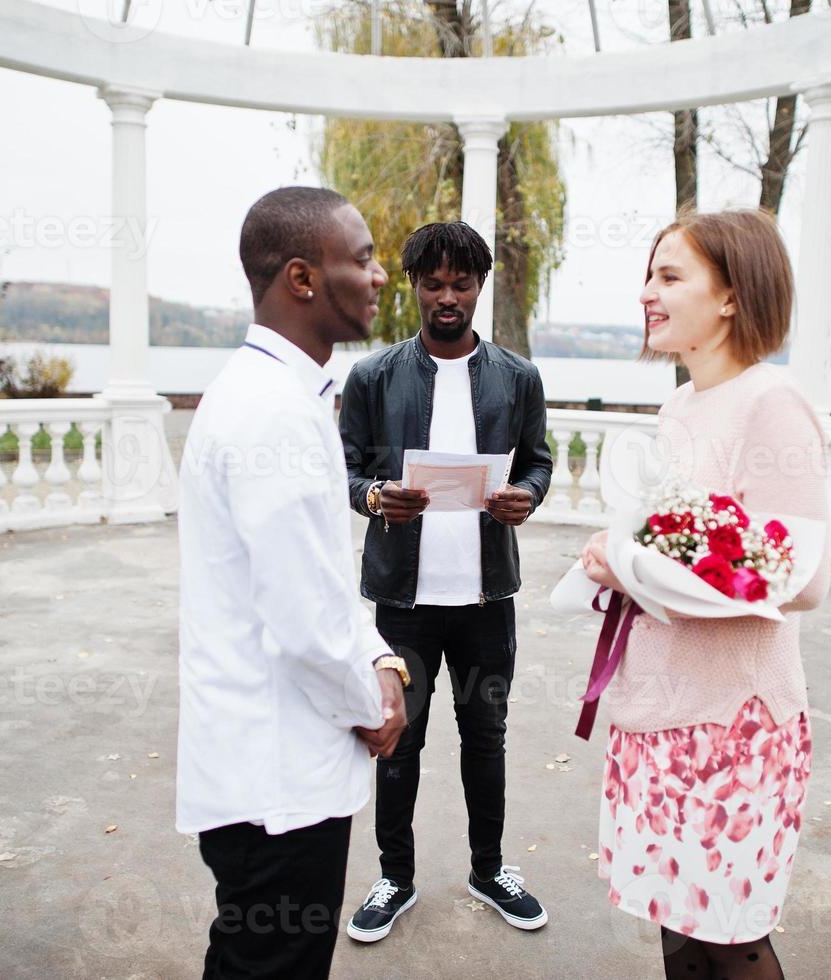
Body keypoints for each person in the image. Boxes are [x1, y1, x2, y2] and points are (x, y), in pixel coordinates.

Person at [580, 209, 830, 980]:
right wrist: (622, 558)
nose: (647, 294)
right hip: (660, 707)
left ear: (730, 296)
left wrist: (633, 568)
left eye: (669, 275)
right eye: (648, 276)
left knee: (729, 937)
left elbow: (802, 578)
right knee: (676, 924)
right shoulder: (680, 406)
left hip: (732, 725)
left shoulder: (770, 403)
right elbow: (683, 538)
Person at [176, 186, 411, 980]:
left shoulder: (282, 392)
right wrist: (372, 703)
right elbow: (301, 617)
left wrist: (378, 654)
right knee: (270, 965)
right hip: (274, 775)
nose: (382, 276)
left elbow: (316, 577)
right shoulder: (270, 411)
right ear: (303, 279)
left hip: (274, 759)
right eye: (366, 258)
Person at [338, 221, 554, 942]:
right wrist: (374, 497)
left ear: (479, 286)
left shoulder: (517, 377)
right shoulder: (373, 377)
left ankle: (488, 869)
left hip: (487, 599)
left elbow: (538, 463)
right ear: (413, 287)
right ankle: (394, 877)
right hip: (403, 600)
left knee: (484, 736)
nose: (447, 297)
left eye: (461, 283)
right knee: (398, 740)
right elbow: (344, 472)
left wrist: (527, 495)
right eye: (433, 284)